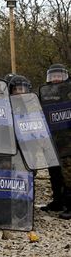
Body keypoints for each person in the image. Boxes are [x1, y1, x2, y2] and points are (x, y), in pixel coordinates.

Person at [39, 64, 71, 219]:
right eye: (53, 76)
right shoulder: (44, 93)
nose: (56, 78)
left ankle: (70, 205)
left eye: (59, 75)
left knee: (68, 173)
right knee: (54, 172)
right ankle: (58, 201)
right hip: (51, 139)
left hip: (68, 141)